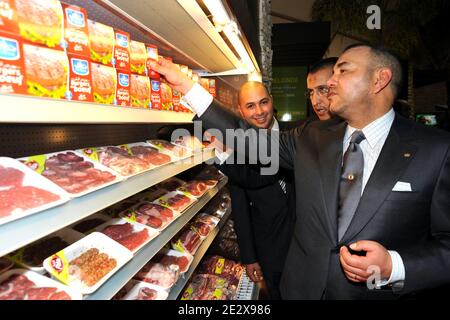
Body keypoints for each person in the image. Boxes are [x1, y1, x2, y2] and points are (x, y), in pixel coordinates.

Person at [149, 43, 450, 299]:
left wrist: (394, 266)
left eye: (343, 71)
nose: (331, 82)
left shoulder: (436, 150)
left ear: (379, 80)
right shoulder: (311, 137)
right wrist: (187, 87)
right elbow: (246, 136)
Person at [217, 81, 296, 300]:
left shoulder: (298, 135)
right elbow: (240, 209)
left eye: (263, 102)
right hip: (270, 251)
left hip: (307, 250)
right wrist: (249, 257)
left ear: (272, 101)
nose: (259, 111)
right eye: (250, 106)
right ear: (240, 111)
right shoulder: (239, 152)